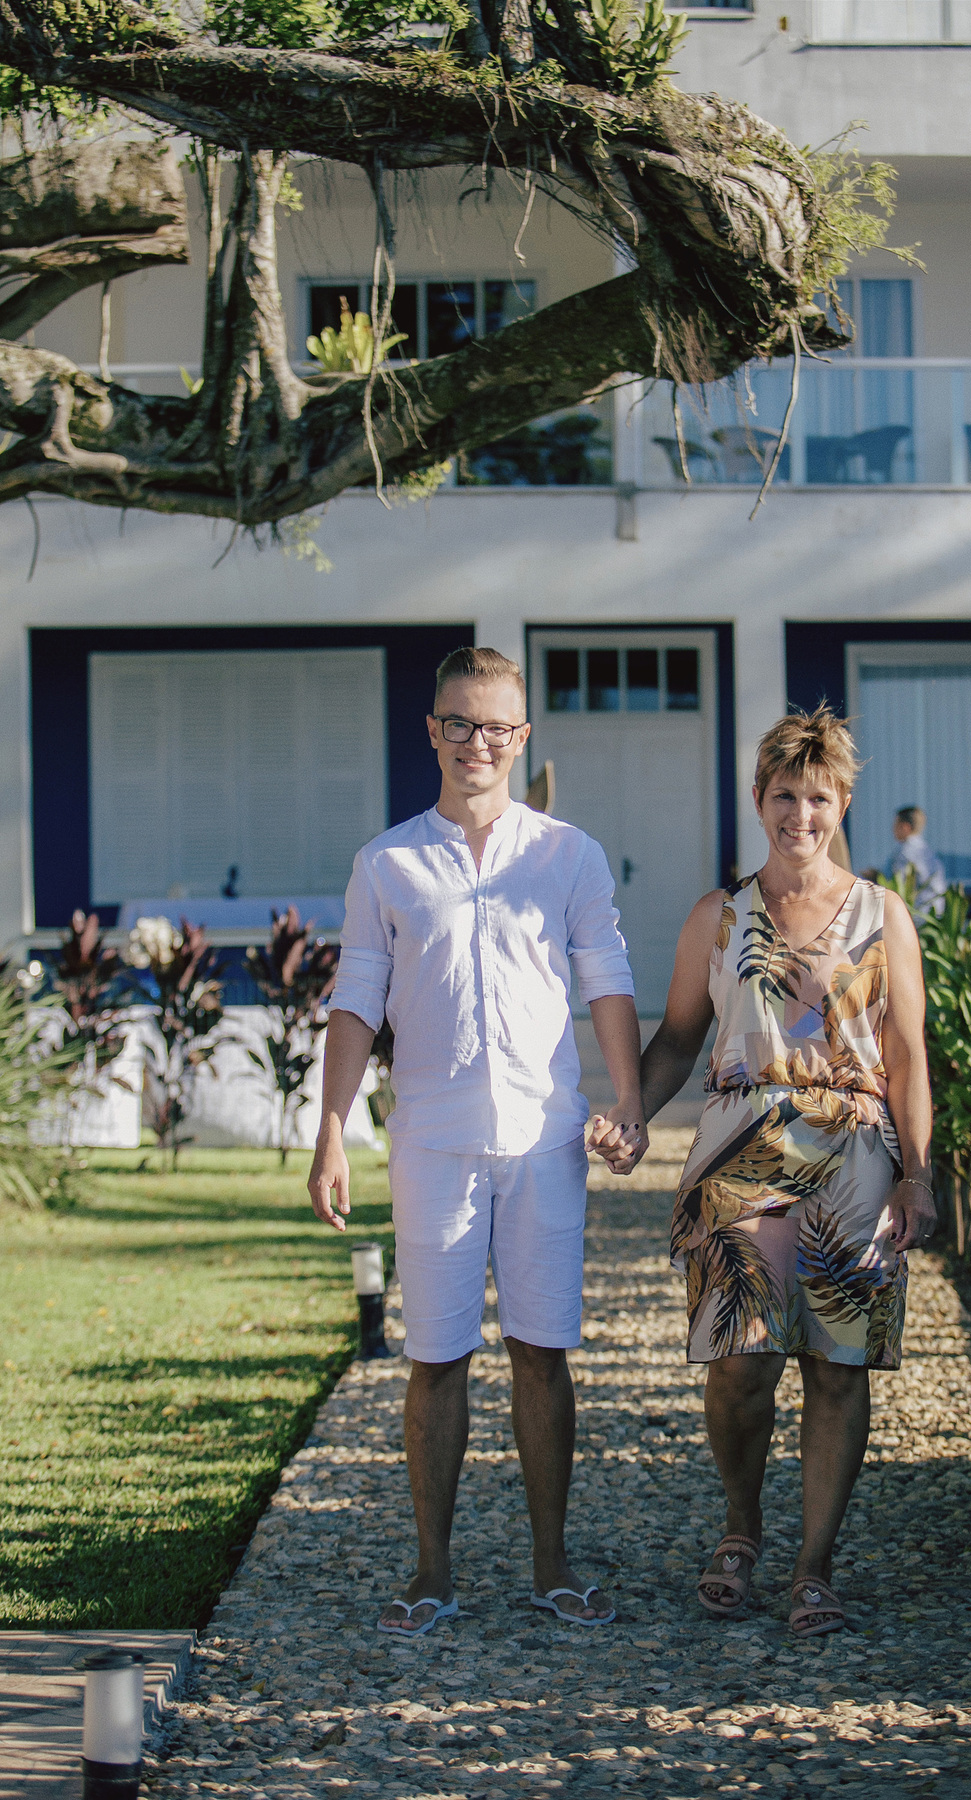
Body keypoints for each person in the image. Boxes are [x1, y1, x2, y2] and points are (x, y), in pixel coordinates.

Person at [308, 646, 646, 1637]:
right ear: (433, 732)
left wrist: (626, 1098)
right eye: (459, 723)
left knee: (542, 1353)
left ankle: (551, 1565)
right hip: (432, 1145)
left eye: (496, 726)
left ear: (522, 737)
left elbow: (607, 979)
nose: (477, 743)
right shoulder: (387, 862)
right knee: (437, 1359)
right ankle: (432, 1571)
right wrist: (330, 1134)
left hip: (544, 1138)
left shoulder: (568, 854)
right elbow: (354, 1004)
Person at [639, 705, 934, 1638]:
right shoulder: (716, 918)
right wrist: (629, 1114)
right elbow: (679, 1038)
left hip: (854, 1158)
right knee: (737, 1366)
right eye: (782, 795)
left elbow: (909, 1055)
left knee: (840, 1369)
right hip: (740, 1152)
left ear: (842, 801)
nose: (798, 813)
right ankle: (740, 1524)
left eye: (817, 796)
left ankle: (815, 1566)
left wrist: (918, 1175)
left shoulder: (884, 915)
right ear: (759, 800)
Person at [887, 805, 947, 916]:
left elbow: (900, 886)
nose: (892, 829)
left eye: (895, 825)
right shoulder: (927, 851)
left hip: (918, 913)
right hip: (937, 910)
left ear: (905, 827)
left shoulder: (905, 852)